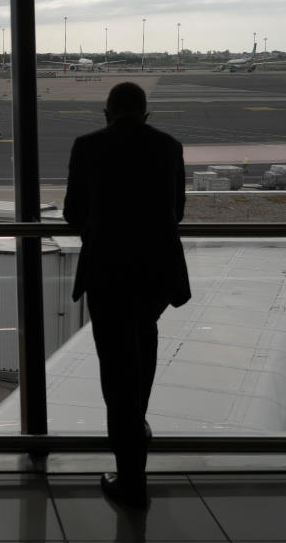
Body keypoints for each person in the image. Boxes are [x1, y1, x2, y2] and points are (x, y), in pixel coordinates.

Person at [63, 82, 190, 509]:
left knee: (116, 373)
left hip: (107, 273)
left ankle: (132, 477)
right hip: (155, 274)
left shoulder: (87, 146)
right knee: (142, 352)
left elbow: (72, 215)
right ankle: (138, 435)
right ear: (146, 112)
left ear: (107, 112)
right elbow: (178, 211)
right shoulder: (169, 146)